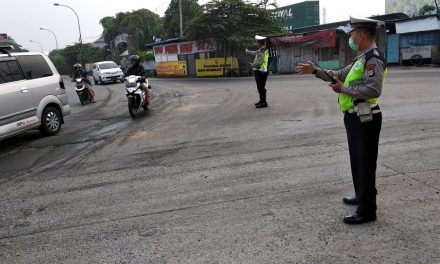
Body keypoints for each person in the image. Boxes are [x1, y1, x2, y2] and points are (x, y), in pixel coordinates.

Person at [296, 16, 387, 224]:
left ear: (361, 35)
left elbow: (374, 89)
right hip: (355, 117)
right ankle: (361, 195)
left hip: (367, 117)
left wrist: (343, 89)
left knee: (365, 162)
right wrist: (316, 71)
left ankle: (367, 211)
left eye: (352, 34)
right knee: (357, 160)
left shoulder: (373, 59)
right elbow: (338, 74)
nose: (350, 38)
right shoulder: (360, 58)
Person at [246, 35, 269, 108]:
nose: (256, 44)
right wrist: (248, 51)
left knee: (261, 87)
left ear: (260, 43)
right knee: (261, 87)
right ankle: (262, 101)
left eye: (257, 43)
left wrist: (252, 65)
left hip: (260, 71)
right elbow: (254, 53)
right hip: (262, 70)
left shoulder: (261, 51)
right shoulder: (263, 49)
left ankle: (263, 103)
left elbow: (259, 62)